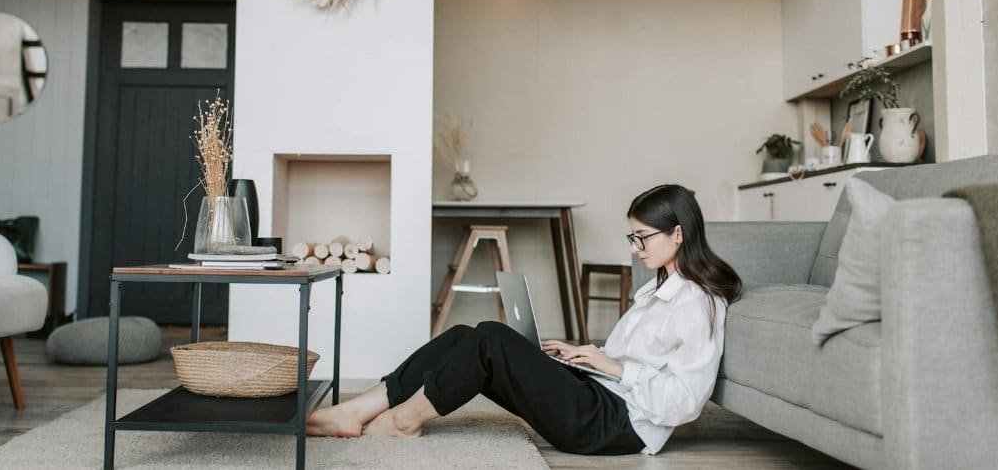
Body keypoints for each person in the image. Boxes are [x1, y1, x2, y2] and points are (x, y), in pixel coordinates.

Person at [306, 184, 743, 455]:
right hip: (599, 397)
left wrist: (612, 366)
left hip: (616, 426)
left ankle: (404, 422)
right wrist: (586, 356)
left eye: (642, 237)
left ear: (678, 234)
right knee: (465, 334)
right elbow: (631, 363)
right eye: (633, 237)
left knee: (491, 339)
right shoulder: (658, 289)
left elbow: (685, 402)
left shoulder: (699, 305)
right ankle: (360, 408)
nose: (635, 248)